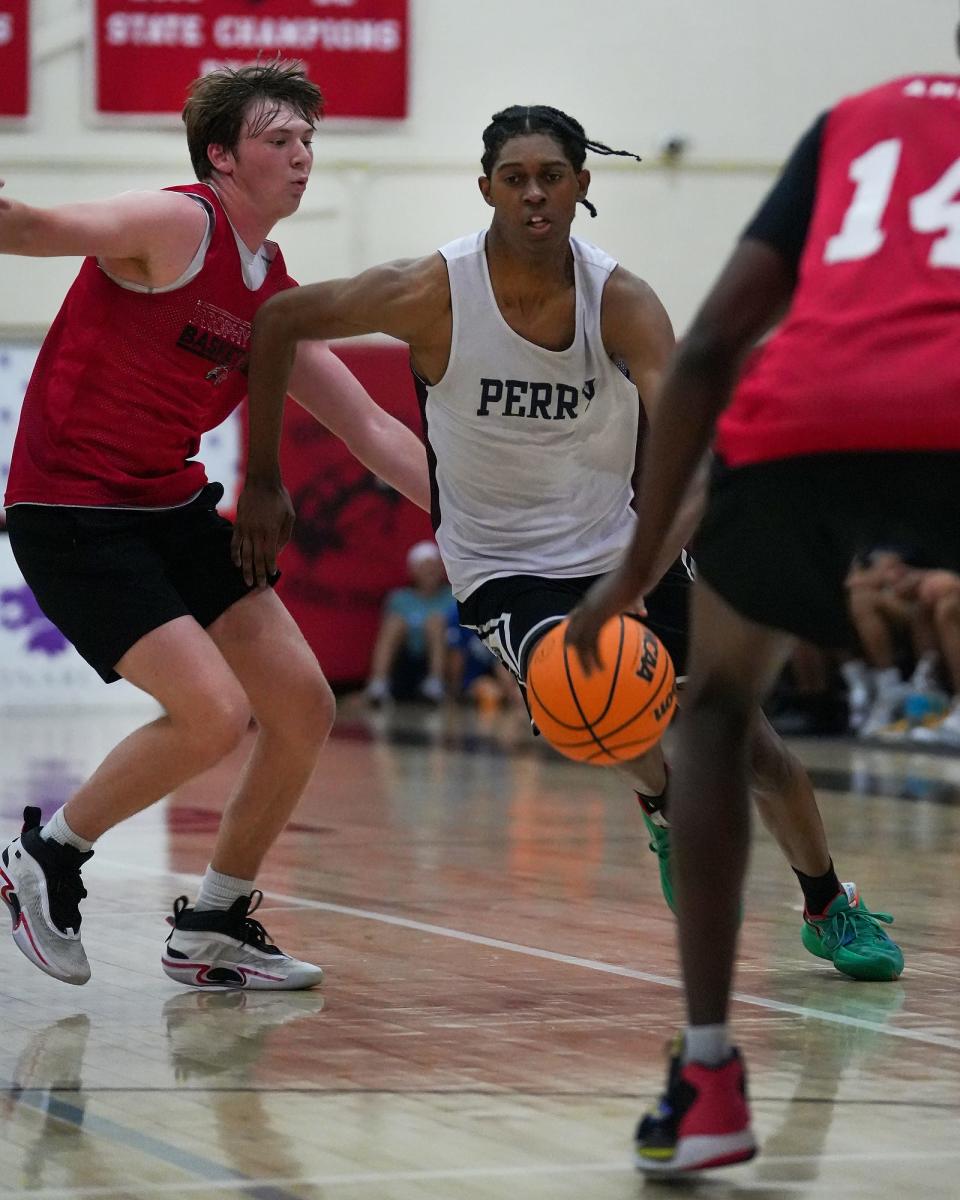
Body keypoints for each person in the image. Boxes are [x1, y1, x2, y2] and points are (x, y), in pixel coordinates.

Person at [239, 98, 902, 985]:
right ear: (486, 189)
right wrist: (262, 479)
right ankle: (663, 801)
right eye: (515, 179)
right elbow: (278, 321)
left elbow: (690, 464)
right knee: (579, 680)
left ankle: (826, 903)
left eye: (552, 177)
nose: (535, 196)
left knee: (751, 747)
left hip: (620, 545)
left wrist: (635, 578)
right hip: (501, 565)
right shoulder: (430, 292)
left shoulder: (622, 302)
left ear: (582, 185)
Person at [566, 47, 960, 1173]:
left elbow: (709, 353)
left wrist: (633, 572)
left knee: (715, 712)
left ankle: (706, 1078)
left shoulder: (855, 121)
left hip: (803, 426)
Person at [0, 61, 429, 990]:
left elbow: (371, 428)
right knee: (211, 715)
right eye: (281, 140)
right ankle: (46, 857)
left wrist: (493, 518)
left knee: (304, 706)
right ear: (223, 158)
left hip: (167, 503)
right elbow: (31, 228)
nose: (303, 157)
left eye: (310, 141)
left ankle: (214, 921)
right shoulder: (175, 222)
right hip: (71, 510)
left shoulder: (275, 289)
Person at [364, 539, 454, 705]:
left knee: (436, 624)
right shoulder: (399, 598)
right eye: (424, 566)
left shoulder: (451, 597)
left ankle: (436, 682)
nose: (430, 571)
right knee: (394, 623)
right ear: (413, 570)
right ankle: (378, 683)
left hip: (444, 655)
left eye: (433, 566)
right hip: (406, 657)